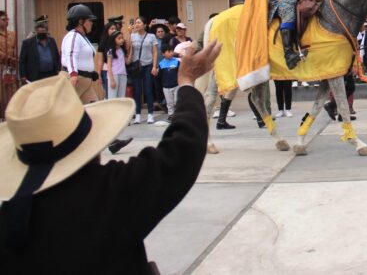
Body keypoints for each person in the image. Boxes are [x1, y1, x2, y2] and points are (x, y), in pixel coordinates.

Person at [0, 41, 222, 273]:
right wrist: (186, 80)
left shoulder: (10, 220)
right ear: (90, 142)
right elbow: (183, 150)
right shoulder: (110, 192)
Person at [61, 5, 102, 103]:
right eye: (89, 20)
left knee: (93, 110)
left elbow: (83, 58)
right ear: (80, 21)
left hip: (85, 81)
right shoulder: (73, 36)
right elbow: (71, 56)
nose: (92, 23)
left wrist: (90, 72)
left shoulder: (82, 37)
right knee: (68, 112)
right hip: (75, 80)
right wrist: (73, 74)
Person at [129, 16, 159, 124]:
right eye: (136, 23)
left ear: (145, 25)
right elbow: (128, 49)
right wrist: (129, 34)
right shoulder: (132, 36)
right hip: (136, 66)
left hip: (148, 65)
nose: (136, 24)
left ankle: (150, 114)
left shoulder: (151, 36)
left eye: (139, 22)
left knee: (148, 90)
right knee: (137, 91)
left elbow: (155, 52)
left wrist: (154, 66)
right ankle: (137, 115)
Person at [105, 31, 128, 99]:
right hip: (114, 75)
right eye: (119, 38)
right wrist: (112, 80)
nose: (122, 40)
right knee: (113, 97)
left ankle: (120, 110)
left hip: (123, 74)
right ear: (113, 40)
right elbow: (109, 66)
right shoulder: (111, 51)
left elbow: (127, 62)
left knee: (122, 97)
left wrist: (131, 48)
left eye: (122, 38)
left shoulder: (122, 50)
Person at [158, 46, 180, 118]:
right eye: (169, 52)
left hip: (176, 85)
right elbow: (160, 76)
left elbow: (180, 73)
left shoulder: (177, 62)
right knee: (169, 102)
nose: (171, 53)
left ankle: (177, 115)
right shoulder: (161, 64)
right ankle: (171, 115)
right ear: (163, 54)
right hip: (166, 86)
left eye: (172, 51)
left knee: (176, 101)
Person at [96, 22, 117, 96]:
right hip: (106, 71)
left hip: (117, 71)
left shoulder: (118, 42)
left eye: (115, 29)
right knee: (109, 93)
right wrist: (98, 75)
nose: (114, 30)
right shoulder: (102, 43)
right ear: (107, 30)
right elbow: (100, 60)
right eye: (111, 29)